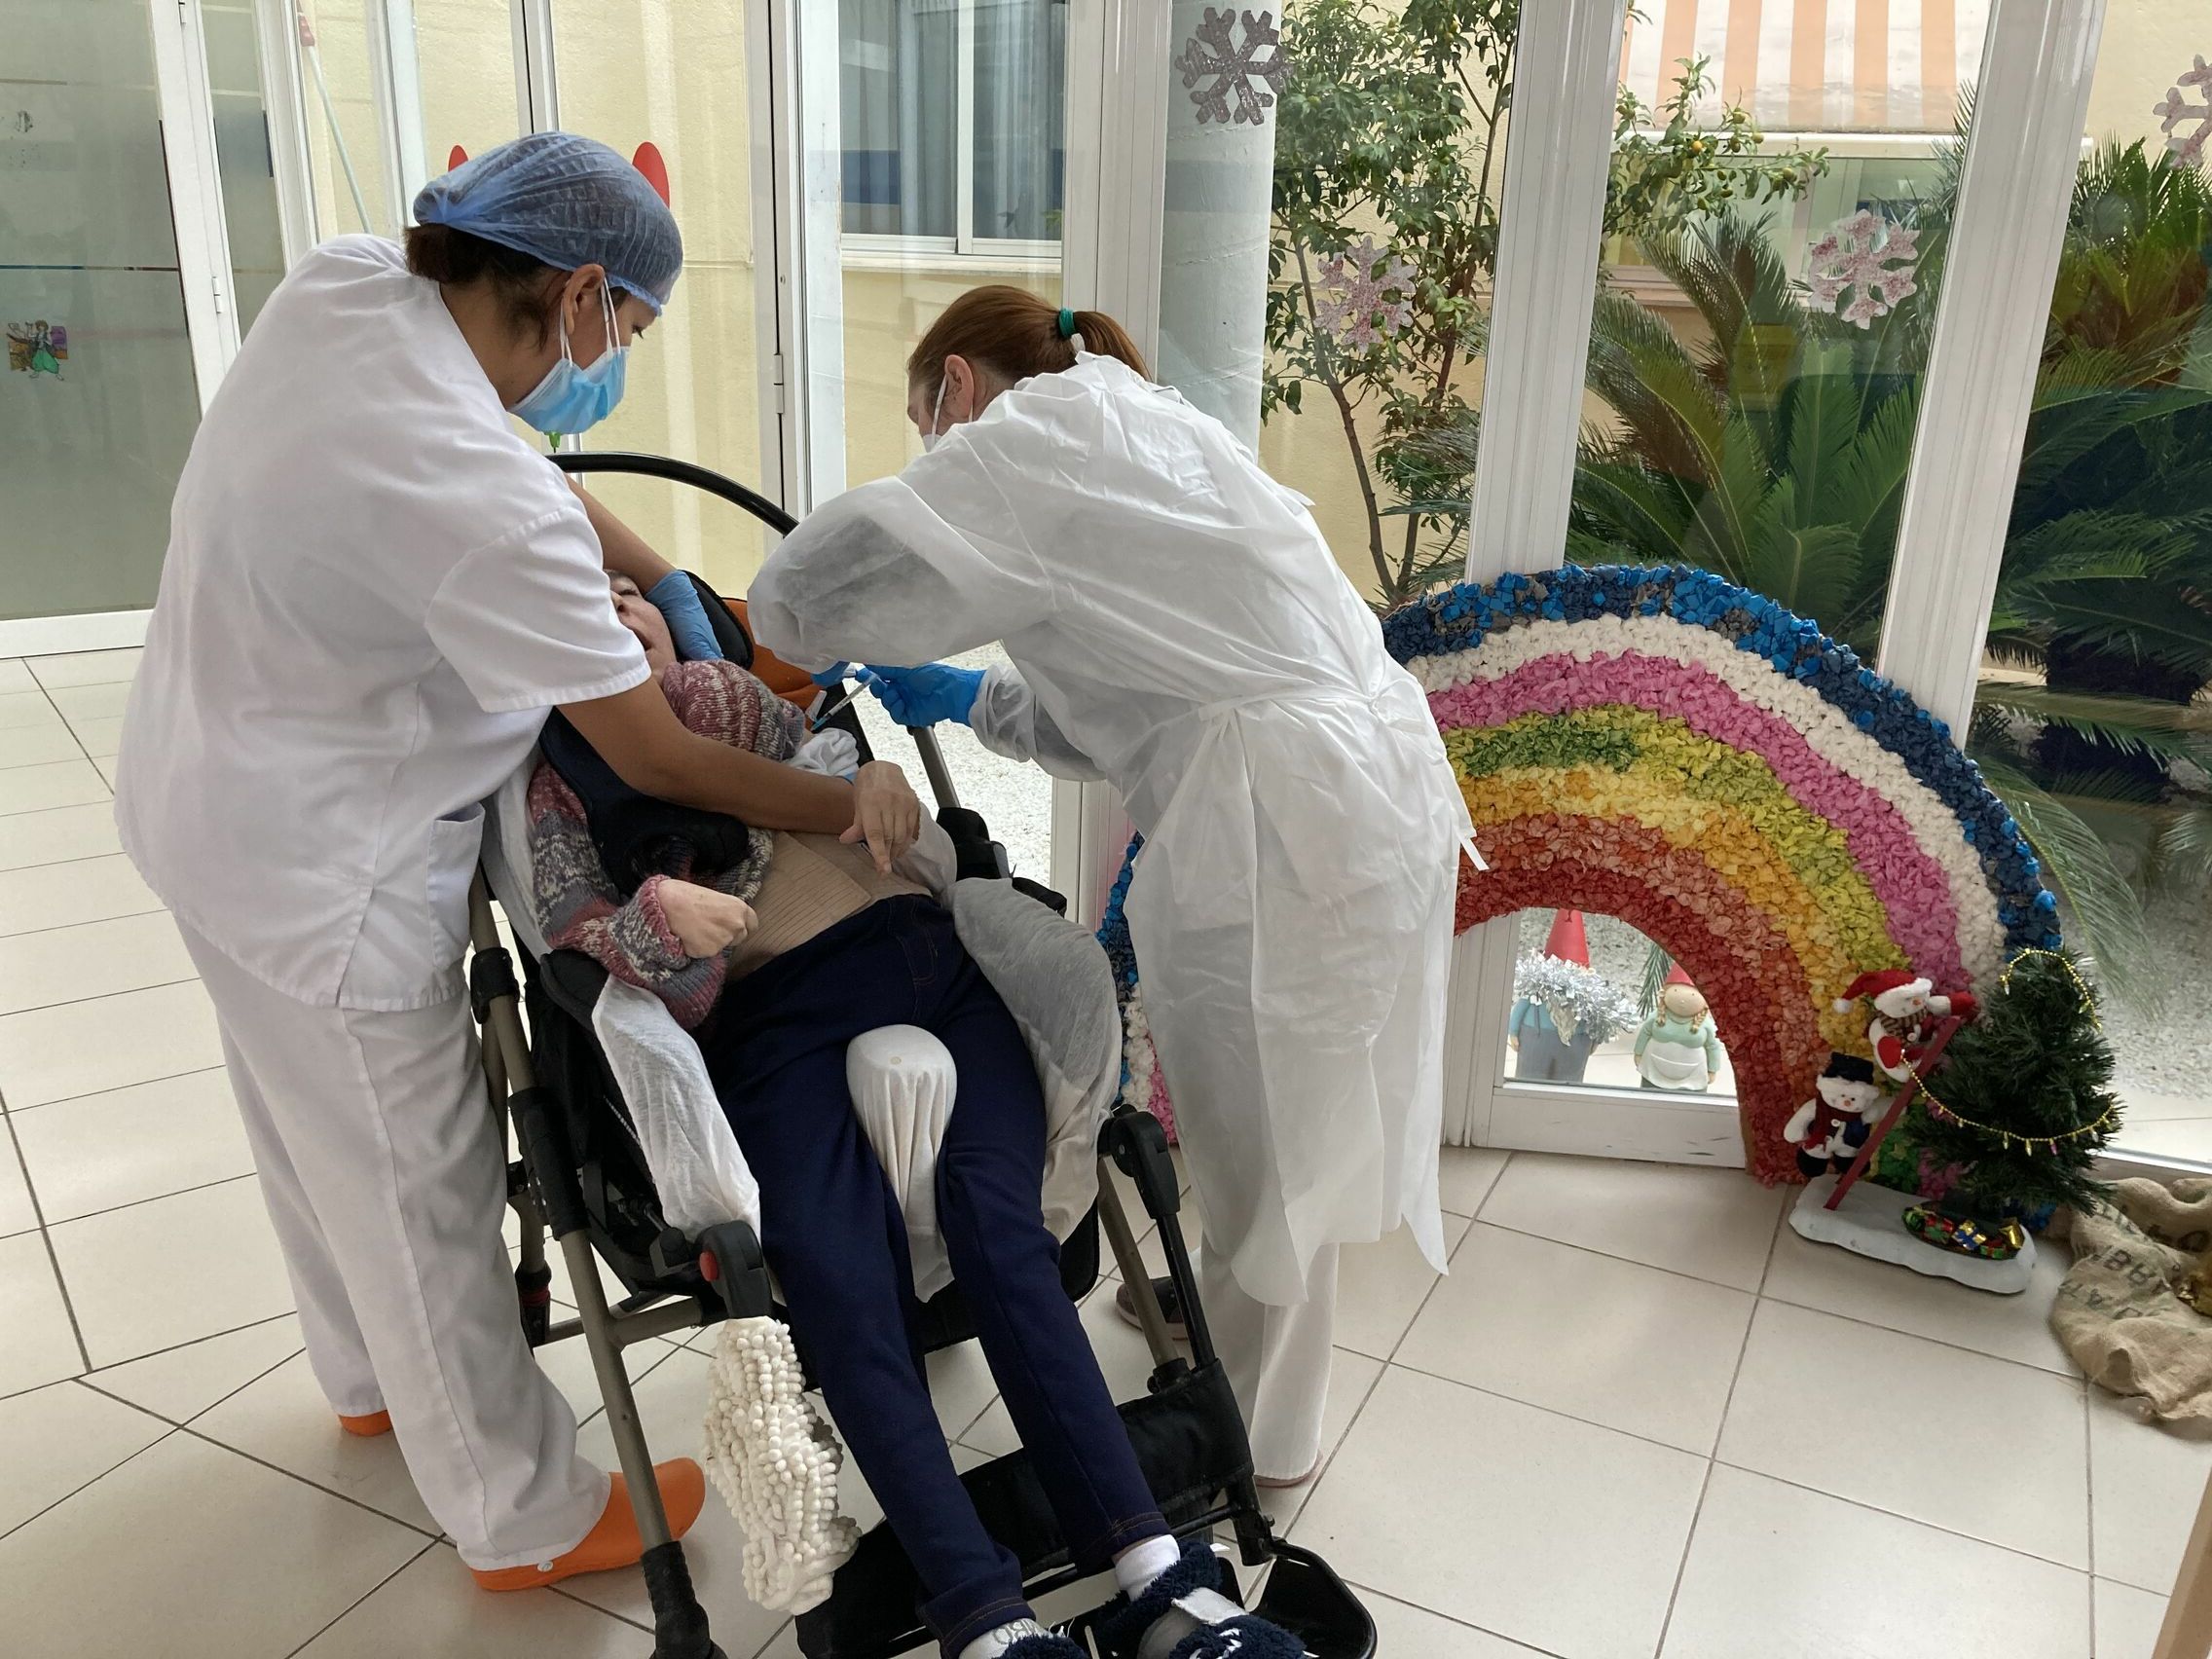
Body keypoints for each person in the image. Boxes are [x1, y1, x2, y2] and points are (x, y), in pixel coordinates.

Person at [113, 132, 915, 1590]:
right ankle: (524, 1516)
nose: (620, 365)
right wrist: (832, 794)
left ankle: (365, 1379)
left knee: (304, 1134)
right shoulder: (482, 507)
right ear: (583, 291)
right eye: (631, 332)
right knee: (413, 1193)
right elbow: (660, 760)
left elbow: (531, 473)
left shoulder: (346, 286)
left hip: (200, 795)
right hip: (328, 876)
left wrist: (669, 583)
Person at [744, 286, 1475, 1487]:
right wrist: (968, 697)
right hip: (1352, 790)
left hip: (1285, 825)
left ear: (957, 385)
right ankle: (1231, 1330)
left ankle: (1256, 1438)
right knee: (1290, 1121)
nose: (932, 453)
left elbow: (805, 597)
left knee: (1275, 1144)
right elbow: (1137, 696)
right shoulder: (1147, 424)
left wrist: (749, 620)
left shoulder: (1032, 437)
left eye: (925, 424)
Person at [526, 577, 1301, 1659]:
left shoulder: (732, 697)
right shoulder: (558, 789)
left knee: (1005, 1234)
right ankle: (985, 1624)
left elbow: (842, 771)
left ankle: (1160, 1581)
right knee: (844, 1292)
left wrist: (878, 776)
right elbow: (577, 935)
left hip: (936, 967)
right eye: (587, 606)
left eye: (629, 598)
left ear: (670, 622)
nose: (614, 611)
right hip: (775, 1023)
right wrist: (655, 918)